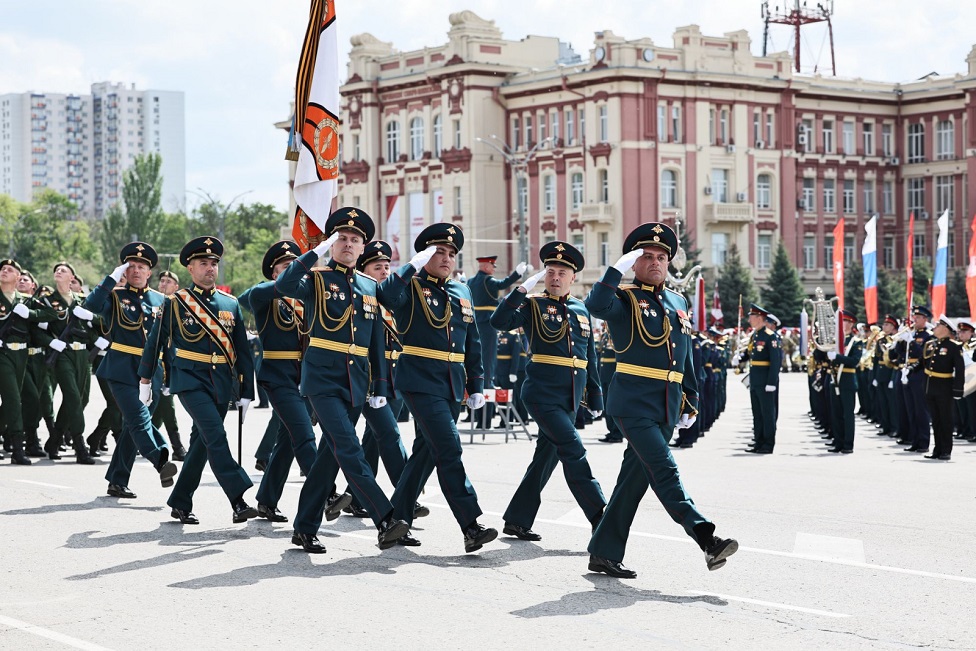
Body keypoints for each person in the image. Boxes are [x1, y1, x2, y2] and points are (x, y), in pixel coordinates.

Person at [585, 222, 737, 579]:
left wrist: (691, 398)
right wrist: (615, 270)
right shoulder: (623, 299)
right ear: (635, 263)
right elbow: (595, 304)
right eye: (647, 257)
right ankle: (706, 538)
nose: (655, 262)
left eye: (661, 257)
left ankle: (603, 553)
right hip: (633, 401)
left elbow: (685, 356)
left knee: (633, 482)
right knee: (665, 470)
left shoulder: (677, 301)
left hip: (667, 403)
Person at [274, 208, 409, 554]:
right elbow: (284, 285)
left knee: (329, 457)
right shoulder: (317, 279)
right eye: (341, 239)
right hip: (322, 378)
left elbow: (376, 338)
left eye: (354, 240)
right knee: (349, 447)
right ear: (332, 244)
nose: (348, 245)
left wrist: (380, 385)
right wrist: (312, 254)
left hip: (356, 379)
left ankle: (304, 528)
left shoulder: (369, 286)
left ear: (363, 248)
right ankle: (385, 518)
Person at [378, 222, 498, 553]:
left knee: (426, 453)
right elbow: (386, 296)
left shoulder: (462, 290)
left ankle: (394, 521)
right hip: (418, 378)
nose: (446, 258)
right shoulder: (410, 285)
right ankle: (471, 524)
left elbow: (472, 340)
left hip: (452, 383)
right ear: (425, 255)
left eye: (451, 253)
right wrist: (411, 265)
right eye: (438, 252)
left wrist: (477, 383)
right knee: (449, 447)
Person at [491, 240, 606, 541]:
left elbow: (588, 356)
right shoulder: (532, 305)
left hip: (569, 396)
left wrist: (594, 394)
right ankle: (602, 517)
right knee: (574, 450)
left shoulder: (582, 309)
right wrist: (519, 292)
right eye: (550, 271)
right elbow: (498, 321)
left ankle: (517, 519)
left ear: (573, 277)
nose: (555, 277)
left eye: (562, 272)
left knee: (546, 456)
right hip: (541, 393)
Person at [139, 236, 258, 525]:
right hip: (189, 380)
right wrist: (145, 382)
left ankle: (180, 501)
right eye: (203, 263)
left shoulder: (230, 304)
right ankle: (239, 499)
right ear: (190, 269)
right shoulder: (176, 303)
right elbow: (155, 344)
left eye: (213, 264)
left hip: (220, 381)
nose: (210, 269)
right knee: (216, 435)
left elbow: (242, 350)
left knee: (203, 444)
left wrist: (246, 391)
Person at [339, 239, 430, 527]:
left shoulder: (394, 298)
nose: (383, 271)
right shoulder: (360, 297)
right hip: (365, 377)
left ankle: (354, 495)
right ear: (364, 270)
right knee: (388, 434)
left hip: (393, 375)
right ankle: (406, 497)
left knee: (375, 438)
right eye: (377, 267)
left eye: (386, 266)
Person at [85, 243, 178, 497]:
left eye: (142, 267)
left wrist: (169, 374)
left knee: (131, 428)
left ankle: (117, 479)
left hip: (153, 372)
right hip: (121, 369)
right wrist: (110, 280)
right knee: (138, 418)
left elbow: (167, 341)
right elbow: (90, 306)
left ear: (150, 273)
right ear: (124, 272)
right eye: (131, 266)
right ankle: (161, 460)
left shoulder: (162, 301)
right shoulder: (114, 296)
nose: (136, 270)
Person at [238, 240, 317, 523]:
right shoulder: (264, 295)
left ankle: (267, 501)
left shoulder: (308, 298)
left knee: (286, 442)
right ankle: (326, 491)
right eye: (287, 268)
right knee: (305, 435)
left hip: (306, 375)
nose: (297, 273)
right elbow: (245, 298)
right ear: (275, 274)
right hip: (278, 375)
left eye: (298, 267)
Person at [36, 261, 96, 464]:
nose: (58, 272)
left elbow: (95, 325)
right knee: (72, 395)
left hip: (82, 356)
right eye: (56, 271)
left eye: (64, 270)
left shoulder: (82, 300)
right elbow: (36, 330)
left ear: (72, 278)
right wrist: (50, 341)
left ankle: (54, 439)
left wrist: (96, 333)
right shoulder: (46, 301)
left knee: (79, 399)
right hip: (62, 355)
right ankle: (80, 445)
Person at [0, 259, 52, 465]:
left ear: (17, 276)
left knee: (13, 402)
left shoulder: (25, 300)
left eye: (10, 270)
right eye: (2, 269)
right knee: (13, 398)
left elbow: (50, 313)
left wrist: (30, 314)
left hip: (21, 355)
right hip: (2, 353)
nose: (4, 271)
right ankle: (17, 449)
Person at [466, 254, 526, 427]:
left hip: (475, 322)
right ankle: (487, 387)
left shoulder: (470, 282)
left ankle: (480, 419)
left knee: (477, 357)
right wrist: (516, 274)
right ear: (485, 267)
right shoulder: (488, 281)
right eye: (492, 266)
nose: (493, 269)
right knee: (489, 362)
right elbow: (503, 284)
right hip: (488, 323)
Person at [735, 304, 781, 454]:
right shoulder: (754, 335)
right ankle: (758, 441)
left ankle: (768, 444)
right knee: (757, 413)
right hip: (755, 379)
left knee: (767, 413)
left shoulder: (770, 336)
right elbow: (750, 354)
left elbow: (776, 362)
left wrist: (771, 382)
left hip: (765, 380)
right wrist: (740, 358)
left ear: (759, 318)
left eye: (751, 317)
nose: (749, 320)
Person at [150, 269, 186, 460]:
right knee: (165, 407)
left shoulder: (180, 307)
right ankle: (177, 447)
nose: (164, 284)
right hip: (155, 362)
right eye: (162, 280)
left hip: (171, 363)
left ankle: (151, 440)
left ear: (176, 287)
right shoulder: (153, 303)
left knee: (162, 408)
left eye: (168, 281)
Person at [16, 270, 48, 458]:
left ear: (32, 286)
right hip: (18, 356)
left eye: (25, 280)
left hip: (39, 359)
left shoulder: (36, 303)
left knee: (37, 401)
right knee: (27, 398)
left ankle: (31, 438)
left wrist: (33, 314)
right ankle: (24, 438)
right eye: (19, 279)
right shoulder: (12, 301)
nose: (21, 281)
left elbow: (51, 315)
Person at [923, 315, 964, 460]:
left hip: (945, 387)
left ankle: (946, 450)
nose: (935, 328)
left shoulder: (953, 347)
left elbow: (960, 370)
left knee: (946, 420)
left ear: (946, 329)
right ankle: (937, 449)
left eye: (938, 326)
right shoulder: (932, 344)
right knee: (936, 420)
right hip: (931, 386)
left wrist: (958, 390)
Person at [893, 306, 933, 453]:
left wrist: (912, 341)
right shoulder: (912, 333)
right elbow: (899, 353)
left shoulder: (929, 336)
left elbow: (923, 354)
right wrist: (901, 341)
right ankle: (914, 440)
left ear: (925, 319)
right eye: (914, 317)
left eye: (918, 317)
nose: (914, 320)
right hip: (907, 371)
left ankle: (923, 442)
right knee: (911, 409)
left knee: (920, 410)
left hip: (919, 374)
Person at [824, 309, 863, 454]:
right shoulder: (835, 340)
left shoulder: (856, 342)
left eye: (844, 321)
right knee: (836, 413)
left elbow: (854, 361)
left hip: (847, 381)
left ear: (851, 323)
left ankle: (848, 444)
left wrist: (837, 357)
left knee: (847, 414)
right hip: (834, 380)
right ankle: (838, 442)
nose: (841, 324)